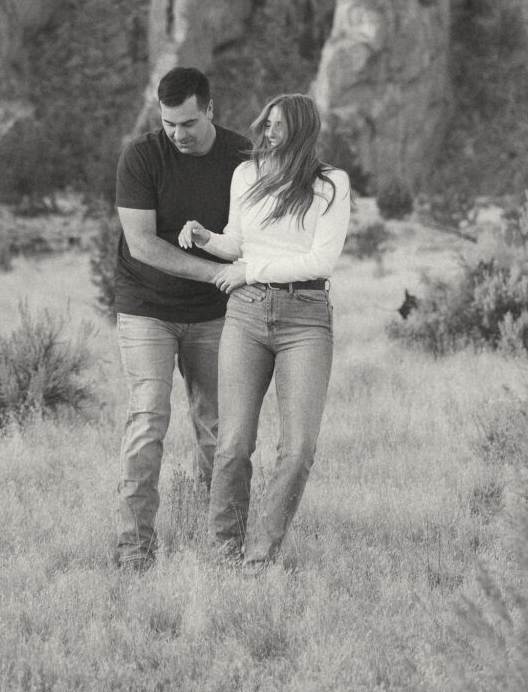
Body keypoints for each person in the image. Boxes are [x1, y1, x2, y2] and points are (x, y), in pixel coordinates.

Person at [178, 93, 351, 565]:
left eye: (278, 126)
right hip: (248, 314)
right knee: (233, 444)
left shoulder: (331, 184)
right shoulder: (246, 174)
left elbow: (321, 259)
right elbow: (238, 243)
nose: (268, 132)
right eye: (266, 123)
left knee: (298, 449)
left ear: (301, 131)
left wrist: (251, 270)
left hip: (306, 317)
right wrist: (204, 237)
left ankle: (261, 554)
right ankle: (224, 550)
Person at [114, 66, 250, 571]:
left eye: (188, 123)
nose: (177, 134)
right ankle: (134, 550)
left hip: (216, 314)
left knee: (219, 426)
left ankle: (226, 547)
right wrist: (217, 273)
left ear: (210, 110)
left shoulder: (242, 158)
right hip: (146, 307)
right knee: (149, 418)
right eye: (169, 123)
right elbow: (142, 244)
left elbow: (259, 230)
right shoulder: (142, 155)